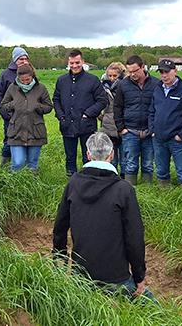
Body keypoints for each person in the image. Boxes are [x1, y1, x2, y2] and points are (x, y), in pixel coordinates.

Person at [52, 132, 152, 300]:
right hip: (116, 278)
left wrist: (59, 259)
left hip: (81, 276)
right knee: (153, 307)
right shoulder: (124, 189)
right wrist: (139, 277)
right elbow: (134, 237)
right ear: (112, 155)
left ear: (88, 154)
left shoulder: (73, 183)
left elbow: (60, 227)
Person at [53, 50, 108, 176]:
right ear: (68, 62)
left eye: (77, 62)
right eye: (71, 63)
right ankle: (71, 180)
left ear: (82, 62)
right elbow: (56, 99)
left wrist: (88, 114)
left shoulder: (92, 80)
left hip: (86, 125)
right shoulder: (61, 80)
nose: (74, 65)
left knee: (88, 155)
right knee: (70, 156)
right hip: (67, 124)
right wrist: (61, 116)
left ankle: (88, 179)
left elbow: (102, 100)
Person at [148, 60, 182, 187]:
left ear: (175, 71)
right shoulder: (158, 89)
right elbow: (151, 111)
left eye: (167, 72)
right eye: (161, 72)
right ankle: (165, 196)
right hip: (159, 138)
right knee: (161, 171)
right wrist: (152, 130)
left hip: (177, 140)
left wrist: (181, 135)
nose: (164, 75)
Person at [113, 55, 160, 185]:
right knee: (130, 164)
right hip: (130, 131)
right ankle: (130, 189)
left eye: (135, 71)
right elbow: (117, 107)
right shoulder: (123, 85)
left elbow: (159, 106)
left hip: (149, 131)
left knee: (148, 164)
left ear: (143, 67)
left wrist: (154, 129)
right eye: (130, 71)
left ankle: (147, 190)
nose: (132, 74)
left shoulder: (156, 84)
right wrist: (121, 128)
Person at [0, 64, 53, 172]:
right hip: (16, 132)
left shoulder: (41, 88)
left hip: (35, 132)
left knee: (32, 165)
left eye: (27, 80)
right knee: (18, 163)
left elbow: (49, 107)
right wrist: (13, 104)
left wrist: (38, 106)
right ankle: (15, 186)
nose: (25, 82)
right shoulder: (12, 88)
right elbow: (4, 105)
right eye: (22, 80)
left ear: (32, 76)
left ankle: (31, 186)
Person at [0, 46, 32, 167]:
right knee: (9, 140)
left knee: (28, 140)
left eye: (26, 58)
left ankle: (25, 166)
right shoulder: (5, 75)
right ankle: (5, 165)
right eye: (21, 59)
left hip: (28, 116)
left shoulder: (31, 73)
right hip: (11, 117)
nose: (24, 61)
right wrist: (5, 113)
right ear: (15, 60)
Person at [99, 62, 126, 175]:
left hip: (123, 125)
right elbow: (98, 103)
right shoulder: (103, 88)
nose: (112, 78)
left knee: (124, 157)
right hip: (108, 127)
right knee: (111, 156)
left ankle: (125, 178)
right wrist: (101, 117)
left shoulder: (126, 86)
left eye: (115, 76)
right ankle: (112, 177)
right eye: (109, 75)